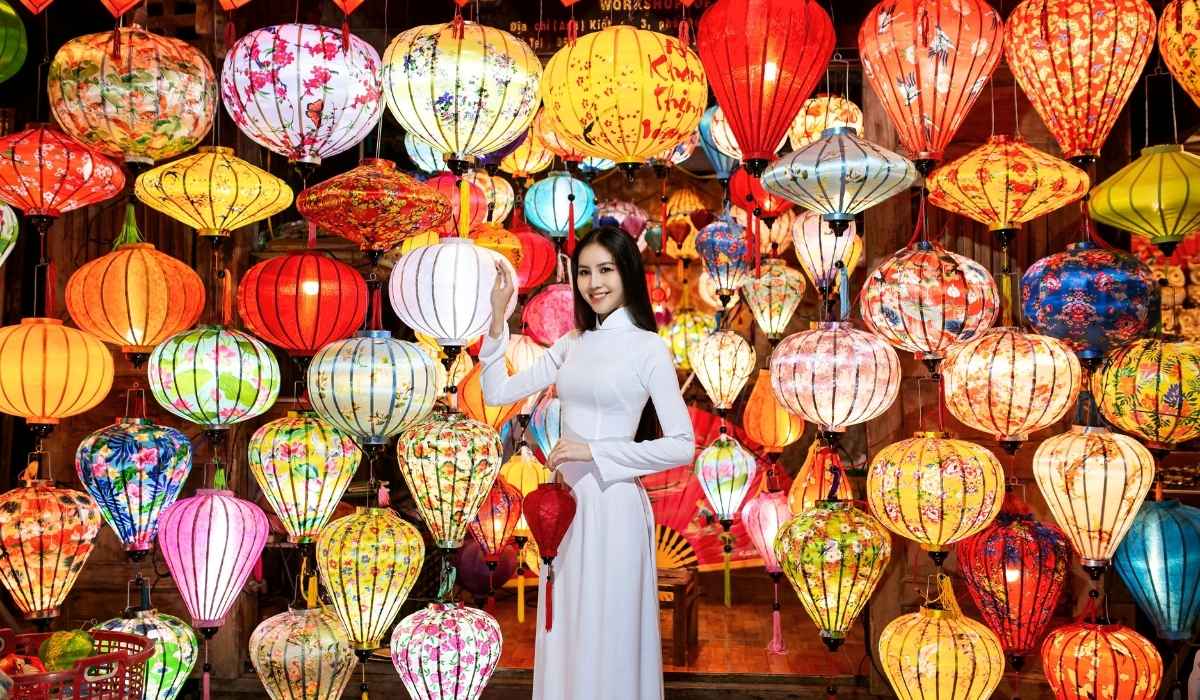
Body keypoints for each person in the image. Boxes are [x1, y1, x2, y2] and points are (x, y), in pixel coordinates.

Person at [479, 226, 696, 700]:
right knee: (566, 626)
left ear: (627, 274)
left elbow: (682, 445)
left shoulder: (648, 348)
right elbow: (496, 393)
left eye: (605, 270)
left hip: (614, 506)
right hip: (564, 511)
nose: (594, 283)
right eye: (583, 272)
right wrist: (497, 321)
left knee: (610, 628)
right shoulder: (572, 343)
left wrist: (594, 450)